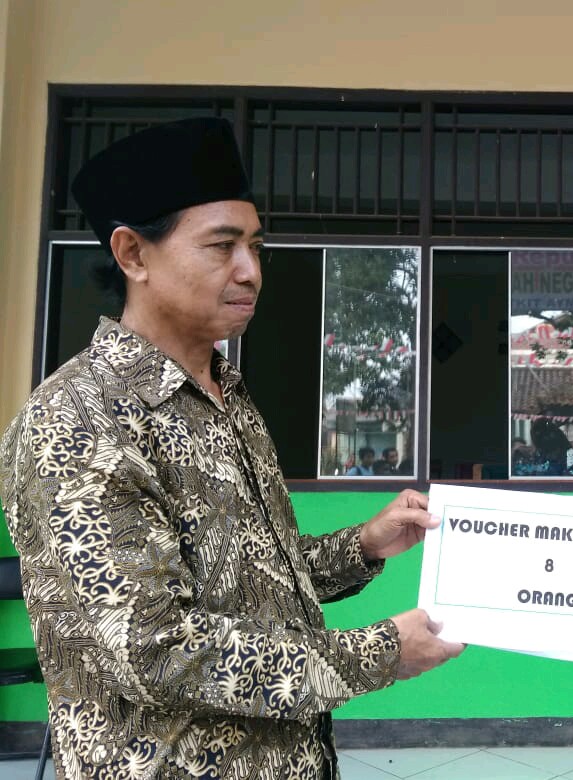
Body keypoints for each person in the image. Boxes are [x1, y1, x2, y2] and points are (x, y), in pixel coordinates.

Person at [0, 117, 463, 779]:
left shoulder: (226, 395)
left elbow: (252, 578)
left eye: (255, 245)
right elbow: (158, 650)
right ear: (133, 255)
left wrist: (364, 544)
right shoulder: (75, 420)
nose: (251, 272)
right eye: (222, 246)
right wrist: (382, 652)